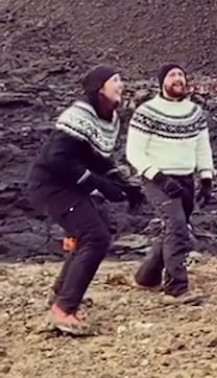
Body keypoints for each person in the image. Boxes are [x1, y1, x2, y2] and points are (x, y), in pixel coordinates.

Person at [24, 65, 144, 334]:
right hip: (49, 186)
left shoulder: (105, 119)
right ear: (100, 87)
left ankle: (60, 294)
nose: (122, 85)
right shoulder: (77, 116)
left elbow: (96, 159)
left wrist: (124, 186)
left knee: (93, 232)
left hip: (67, 187)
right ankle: (64, 309)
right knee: (95, 236)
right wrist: (99, 184)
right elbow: (58, 160)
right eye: (116, 80)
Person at [126, 63, 215, 299]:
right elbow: (134, 152)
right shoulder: (147, 112)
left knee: (172, 229)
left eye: (181, 75)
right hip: (157, 179)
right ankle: (177, 288)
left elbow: (202, 147)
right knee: (178, 227)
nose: (178, 79)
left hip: (186, 178)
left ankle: (146, 277)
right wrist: (158, 177)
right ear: (162, 82)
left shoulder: (195, 113)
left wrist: (206, 178)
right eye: (172, 75)